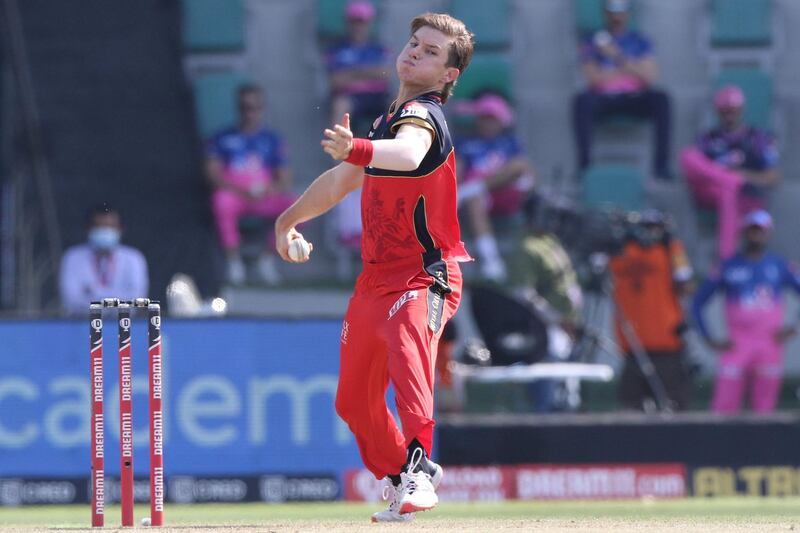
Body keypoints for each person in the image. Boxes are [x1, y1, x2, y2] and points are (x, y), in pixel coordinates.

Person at [274, 13, 473, 522]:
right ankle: (398, 475)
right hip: (375, 280)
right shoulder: (387, 120)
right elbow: (341, 182)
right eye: (414, 43)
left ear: (450, 75)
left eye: (431, 52)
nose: (415, 53)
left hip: (426, 273)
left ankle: (422, 471)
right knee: (353, 405)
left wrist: (360, 149)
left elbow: (407, 155)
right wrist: (288, 219)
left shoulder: (425, 117)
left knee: (408, 346)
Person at [692, 210, 800, 414]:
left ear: (768, 233)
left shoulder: (779, 265)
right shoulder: (728, 266)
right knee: (724, 404)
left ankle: (764, 444)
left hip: (769, 343)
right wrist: (708, 337)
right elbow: (698, 302)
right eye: (752, 230)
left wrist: (795, 327)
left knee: (764, 407)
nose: (756, 235)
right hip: (737, 343)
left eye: (760, 231)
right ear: (744, 232)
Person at [206, 84, 296, 285]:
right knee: (221, 202)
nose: (250, 113)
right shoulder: (222, 137)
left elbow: (285, 178)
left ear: (262, 109)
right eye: (245, 107)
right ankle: (233, 261)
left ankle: (267, 258)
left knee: (299, 207)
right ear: (238, 109)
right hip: (235, 194)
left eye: (255, 108)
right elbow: (212, 174)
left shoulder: (272, 139)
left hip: (264, 196)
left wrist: (271, 189)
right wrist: (240, 190)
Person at [573, 0, 671, 179]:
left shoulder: (640, 40)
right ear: (604, 13)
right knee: (581, 100)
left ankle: (661, 167)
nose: (616, 16)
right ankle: (584, 168)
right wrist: (630, 69)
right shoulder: (591, 41)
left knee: (661, 98)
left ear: (628, 14)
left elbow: (650, 77)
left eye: (621, 11)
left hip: (634, 98)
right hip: (603, 98)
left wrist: (615, 57)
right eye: (612, 11)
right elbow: (592, 79)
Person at [680, 85, 780, 260]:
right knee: (688, 155)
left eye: (732, 110)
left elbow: (773, 178)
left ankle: (726, 260)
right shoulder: (708, 138)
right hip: (711, 194)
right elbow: (692, 168)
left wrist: (742, 176)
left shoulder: (757, 137)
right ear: (718, 111)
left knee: (728, 192)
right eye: (725, 110)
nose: (729, 114)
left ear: (741, 110)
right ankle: (727, 179)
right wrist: (725, 177)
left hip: (747, 197)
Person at [608, 210, 694, 411]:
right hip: (632, 346)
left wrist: (672, 249)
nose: (650, 233)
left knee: (674, 406)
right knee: (631, 408)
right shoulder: (619, 252)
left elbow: (686, 285)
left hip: (667, 343)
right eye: (646, 228)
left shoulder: (669, 249)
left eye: (655, 228)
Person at [455, 93, 535, 281]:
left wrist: (525, 183)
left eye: (493, 119)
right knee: (474, 198)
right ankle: (491, 260)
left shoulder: (510, 143)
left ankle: (475, 188)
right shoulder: (465, 143)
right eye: (484, 118)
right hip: (480, 201)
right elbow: (456, 171)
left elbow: (525, 171)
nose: (488, 124)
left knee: (519, 165)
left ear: (501, 121)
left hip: (507, 194)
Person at [59, 205, 148, 315]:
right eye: (99, 227)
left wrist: (93, 292)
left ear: (120, 229)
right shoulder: (73, 257)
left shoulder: (134, 258)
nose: (105, 231)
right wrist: (115, 298)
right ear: (88, 229)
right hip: (82, 325)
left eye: (110, 226)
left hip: (124, 324)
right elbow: (71, 300)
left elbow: (137, 300)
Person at [325, 0, 390, 136]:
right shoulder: (337, 49)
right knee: (340, 105)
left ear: (369, 23)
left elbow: (386, 74)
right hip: (352, 98)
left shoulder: (379, 48)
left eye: (362, 22)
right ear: (347, 22)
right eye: (354, 21)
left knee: (399, 104)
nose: (358, 26)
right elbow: (336, 81)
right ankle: (338, 154)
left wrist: (353, 72)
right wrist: (369, 72)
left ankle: (396, 153)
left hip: (378, 96)